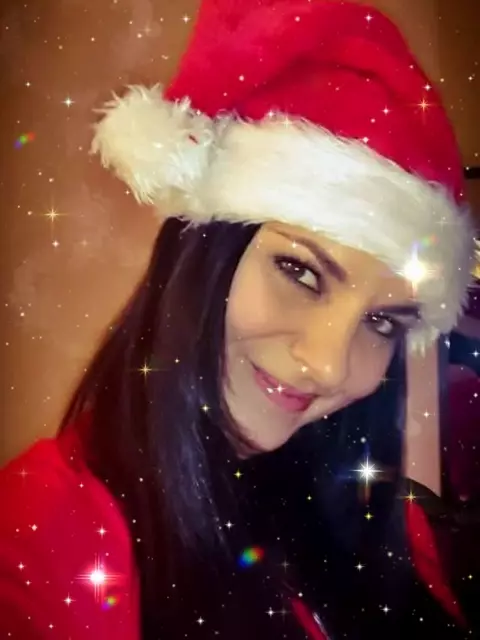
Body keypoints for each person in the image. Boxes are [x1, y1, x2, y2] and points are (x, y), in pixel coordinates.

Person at [0, 0, 477, 638]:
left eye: (384, 322)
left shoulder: (381, 513)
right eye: (300, 272)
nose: (327, 365)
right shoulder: (42, 535)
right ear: (202, 253)